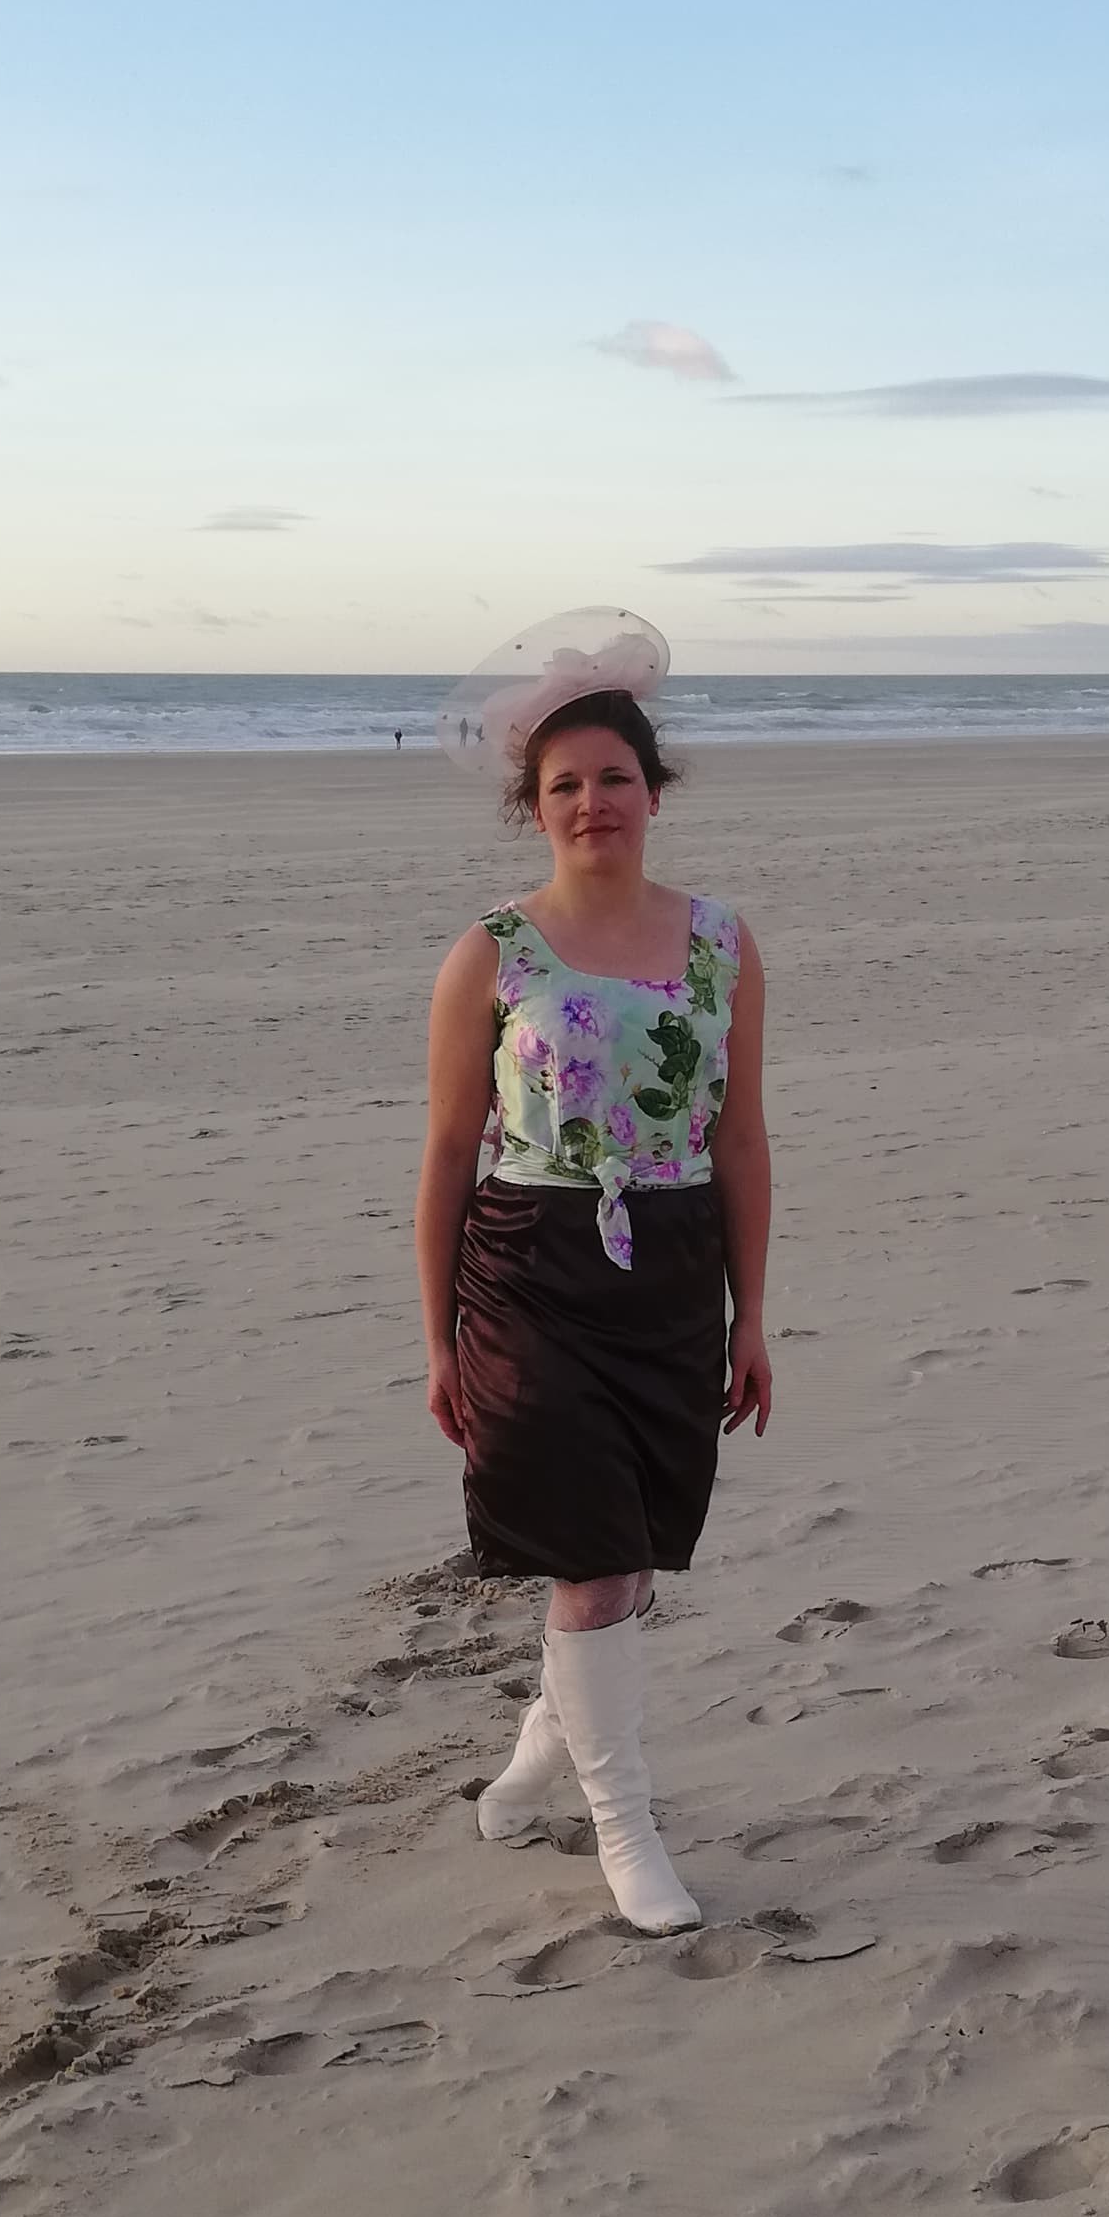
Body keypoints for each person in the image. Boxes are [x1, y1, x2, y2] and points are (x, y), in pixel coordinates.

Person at [416, 674, 772, 1934]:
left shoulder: (723, 944)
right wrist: (438, 1340)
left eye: (614, 777)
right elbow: (448, 1152)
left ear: (653, 791)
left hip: (670, 1270)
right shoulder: (491, 953)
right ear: (534, 807)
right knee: (598, 1560)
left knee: (626, 1562)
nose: (591, 801)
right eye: (564, 784)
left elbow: (740, 1140)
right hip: (529, 1269)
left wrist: (751, 1316)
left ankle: (535, 1759)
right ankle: (627, 1832)